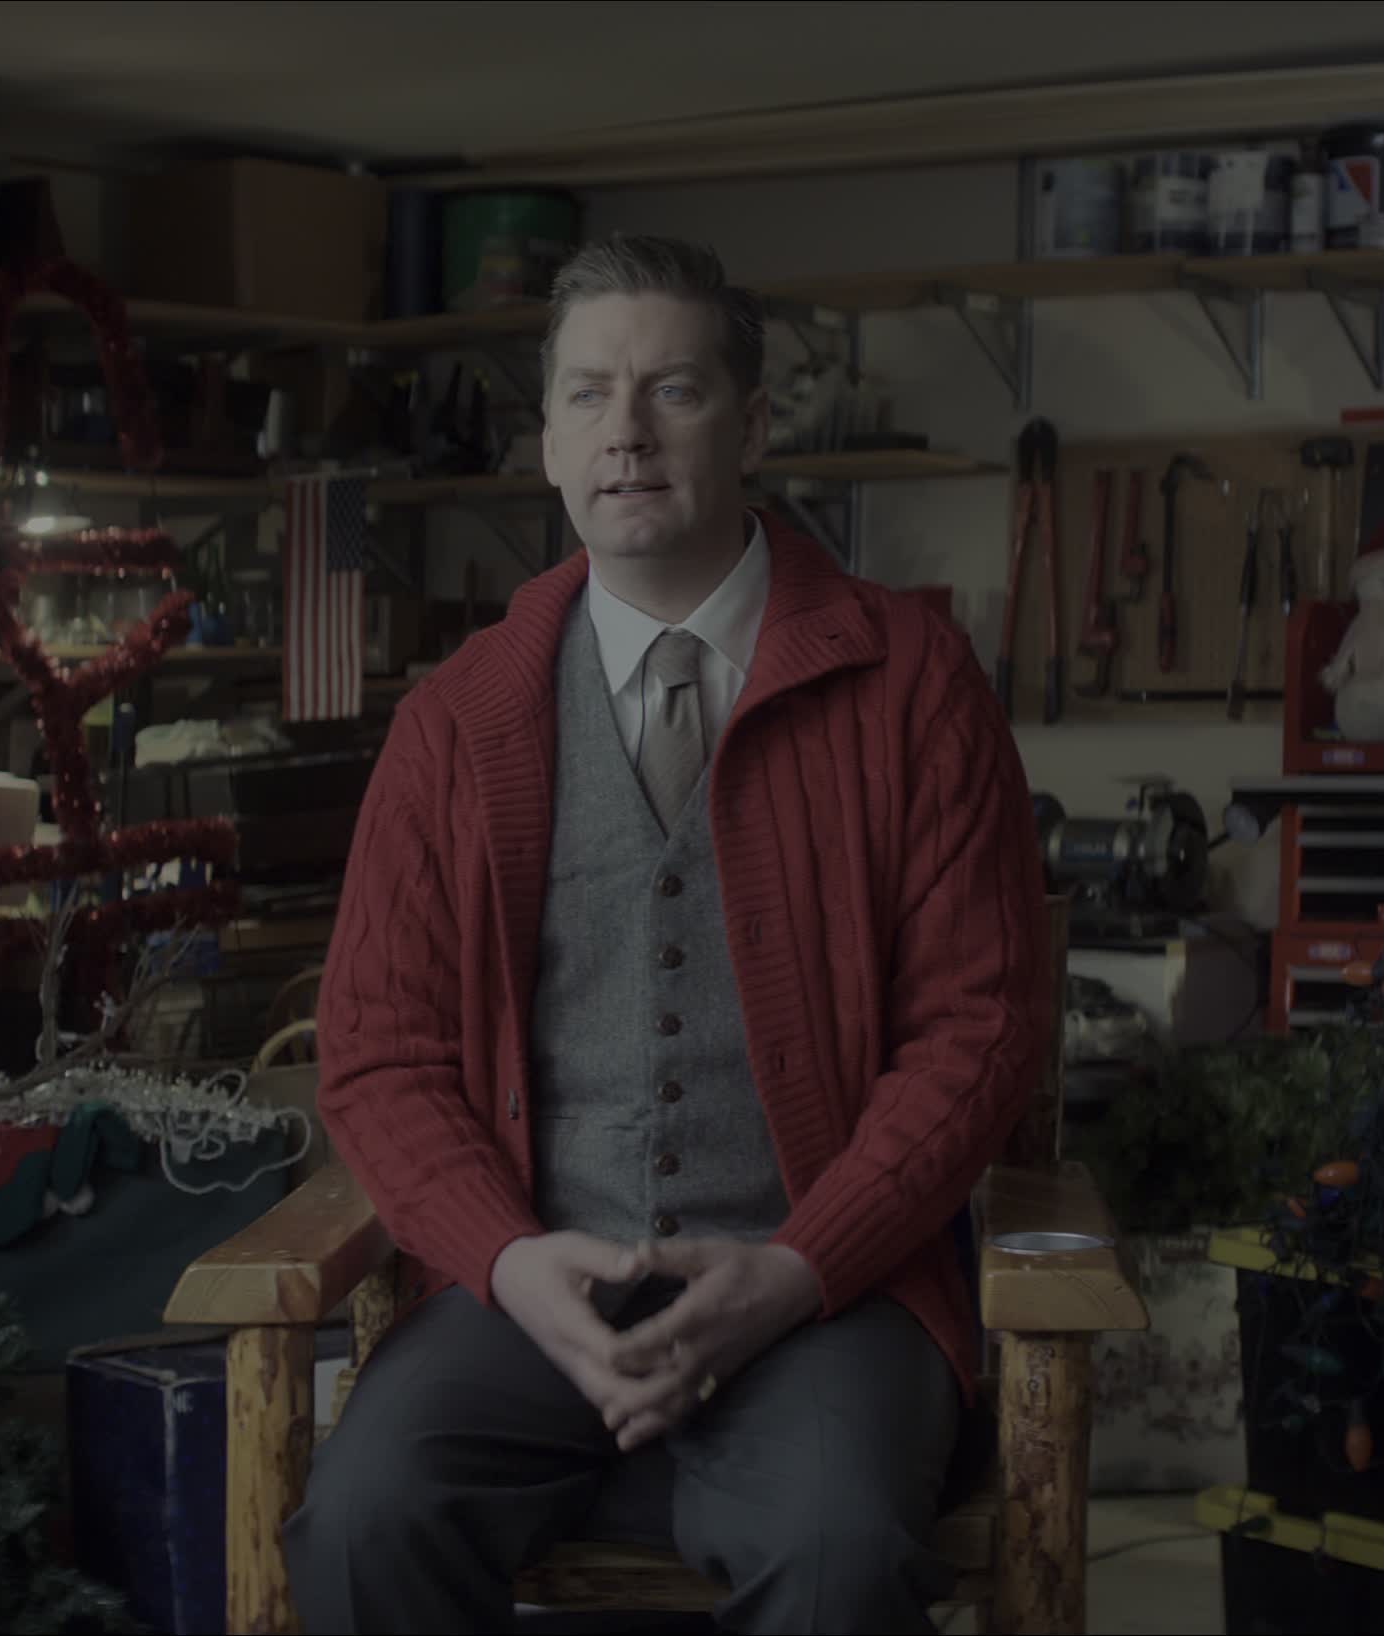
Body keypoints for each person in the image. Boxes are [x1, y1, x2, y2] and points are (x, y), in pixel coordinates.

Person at [286, 233, 1056, 1634]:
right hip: (534, 1294)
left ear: (752, 428)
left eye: (673, 391)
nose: (625, 433)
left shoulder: (914, 684)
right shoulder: (454, 719)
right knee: (358, 1522)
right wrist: (510, 1263)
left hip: (826, 1290)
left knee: (835, 1556)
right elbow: (380, 1053)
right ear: (546, 442)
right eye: (588, 394)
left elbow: (981, 1030)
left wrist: (798, 1268)